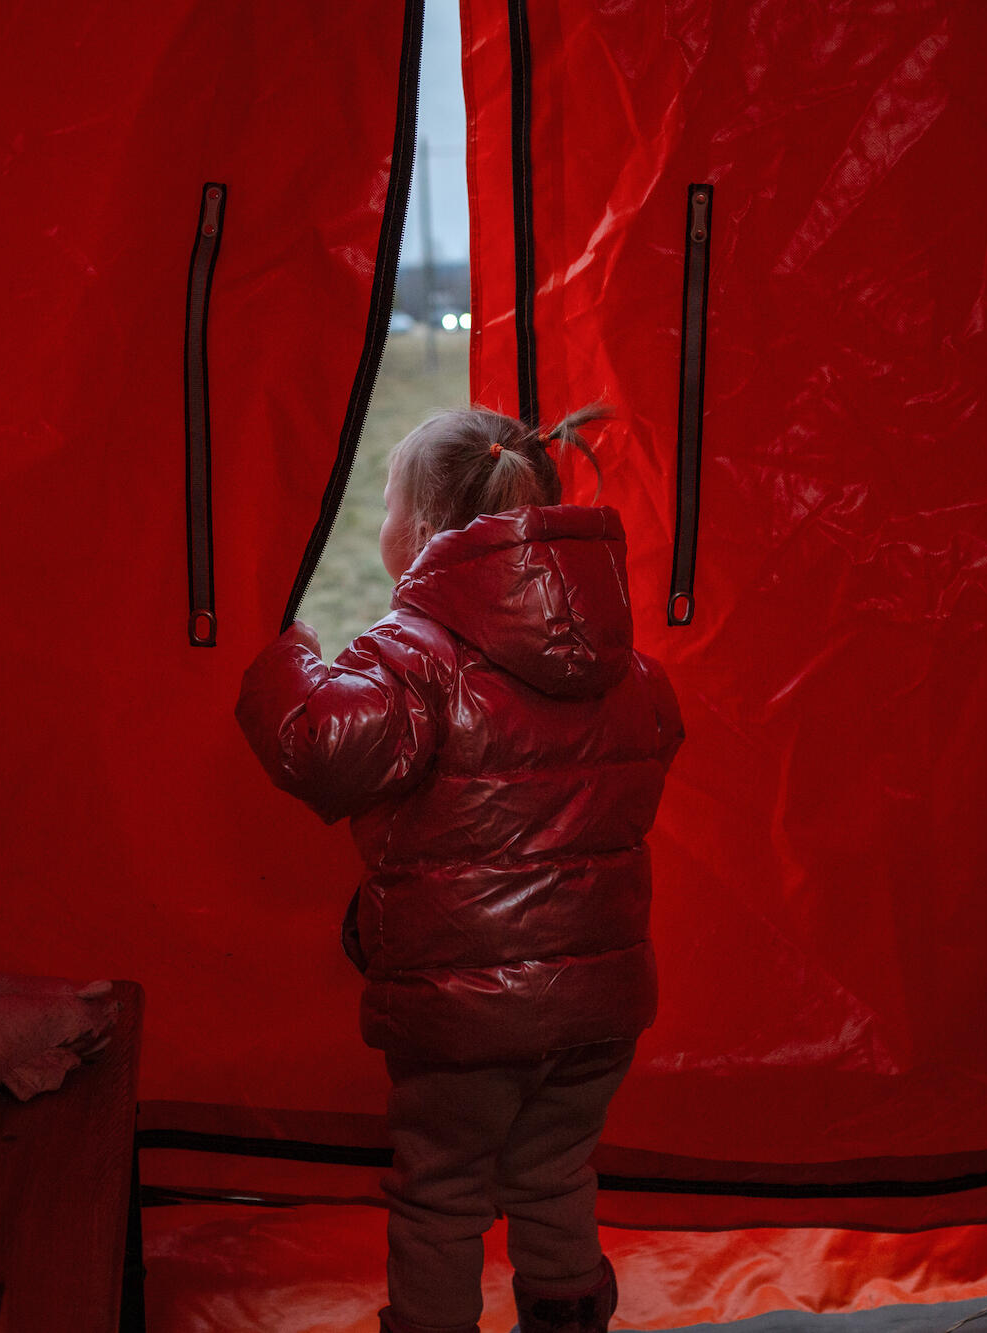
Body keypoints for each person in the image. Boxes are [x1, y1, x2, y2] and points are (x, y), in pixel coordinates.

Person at [235, 405, 685, 1333]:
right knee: (556, 1173)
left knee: (442, 1194)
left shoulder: (417, 659)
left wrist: (291, 652)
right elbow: (658, 739)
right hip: (599, 1008)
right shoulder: (627, 668)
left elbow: (321, 744)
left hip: (466, 1015)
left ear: (422, 531)